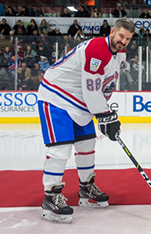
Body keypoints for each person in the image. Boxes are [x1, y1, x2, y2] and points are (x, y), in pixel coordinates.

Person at [37, 18, 135, 223]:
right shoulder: (98, 49)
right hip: (57, 97)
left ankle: (85, 188)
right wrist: (104, 115)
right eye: (121, 36)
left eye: (128, 38)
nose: (123, 41)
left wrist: (106, 114)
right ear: (112, 32)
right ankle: (50, 196)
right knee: (61, 149)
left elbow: (104, 86)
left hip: (80, 101)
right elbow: (91, 87)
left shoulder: (120, 53)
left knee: (87, 144)